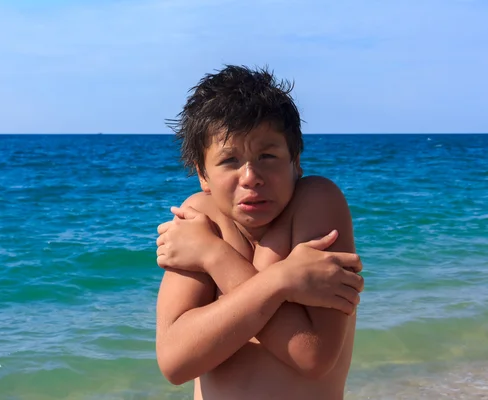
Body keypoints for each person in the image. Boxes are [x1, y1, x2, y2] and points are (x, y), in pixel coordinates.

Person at [155, 65, 364, 399]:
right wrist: (282, 280)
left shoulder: (317, 201)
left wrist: (214, 255)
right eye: (229, 160)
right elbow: (175, 363)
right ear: (203, 175)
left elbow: (312, 356)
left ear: (296, 161)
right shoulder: (201, 218)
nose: (251, 176)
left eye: (267, 156)